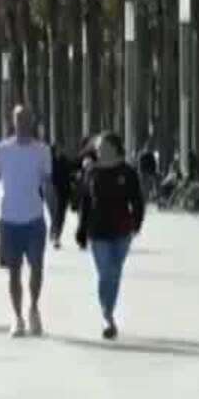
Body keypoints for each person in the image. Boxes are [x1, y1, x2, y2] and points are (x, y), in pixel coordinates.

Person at [0, 105, 54, 337]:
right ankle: (17, 317)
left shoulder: (42, 151)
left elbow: (48, 186)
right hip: (9, 220)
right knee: (14, 271)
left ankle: (33, 308)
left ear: (32, 121)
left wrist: (56, 217)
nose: (22, 123)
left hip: (34, 218)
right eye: (18, 119)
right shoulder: (0, 150)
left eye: (26, 119)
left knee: (37, 268)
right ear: (12, 121)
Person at [75, 132, 145, 340]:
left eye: (103, 147)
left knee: (114, 272)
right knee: (105, 271)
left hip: (122, 231)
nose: (99, 150)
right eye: (97, 148)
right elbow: (85, 203)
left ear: (114, 149)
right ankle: (107, 316)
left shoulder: (127, 172)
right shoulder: (92, 173)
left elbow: (137, 200)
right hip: (98, 231)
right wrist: (81, 229)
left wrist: (136, 222)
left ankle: (109, 310)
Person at [51, 145, 81, 251]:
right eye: (58, 150)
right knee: (59, 215)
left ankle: (83, 235)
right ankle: (56, 236)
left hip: (68, 190)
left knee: (80, 211)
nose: (60, 151)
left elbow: (73, 167)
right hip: (58, 192)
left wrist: (73, 177)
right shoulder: (51, 162)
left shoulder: (64, 160)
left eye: (61, 149)